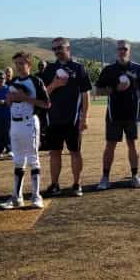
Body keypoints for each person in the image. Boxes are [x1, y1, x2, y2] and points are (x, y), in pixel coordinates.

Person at [0, 52, 50, 210]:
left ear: (29, 65)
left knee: (33, 159)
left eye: (22, 63)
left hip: (29, 122)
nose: (19, 67)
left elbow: (47, 104)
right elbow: (9, 103)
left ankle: (36, 196)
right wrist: (9, 99)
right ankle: (17, 197)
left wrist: (25, 98)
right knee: (18, 161)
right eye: (17, 64)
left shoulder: (36, 81)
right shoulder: (13, 81)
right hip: (15, 124)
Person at [41, 37, 92, 197]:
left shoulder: (78, 68)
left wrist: (85, 118)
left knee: (75, 152)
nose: (57, 51)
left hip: (73, 119)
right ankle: (54, 184)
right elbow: (43, 94)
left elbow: (85, 95)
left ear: (68, 48)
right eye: (54, 48)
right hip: (53, 119)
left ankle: (77, 184)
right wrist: (55, 84)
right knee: (54, 152)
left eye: (59, 48)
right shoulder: (49, 69)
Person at [96, 40, 140, 190]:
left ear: (129, 51)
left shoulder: (137, 69)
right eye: (119, 49)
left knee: (133, 144)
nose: (122, 51)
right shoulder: (109, 69)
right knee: (110, 145)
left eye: (124, 49)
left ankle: (135, 176)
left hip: (133, 114)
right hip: (114, 114)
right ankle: (105, 178)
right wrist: (114, 88)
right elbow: (98, 91)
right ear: (116, 51)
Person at [35, 60, 49, 150]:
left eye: (43, 65)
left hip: (48, 103)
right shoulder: (35, 77)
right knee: (39, 123)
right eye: (40, 65)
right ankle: (40, 143)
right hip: (39, 103)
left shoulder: (49, 76)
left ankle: (47, 143)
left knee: (47, 123)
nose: (41, 67)